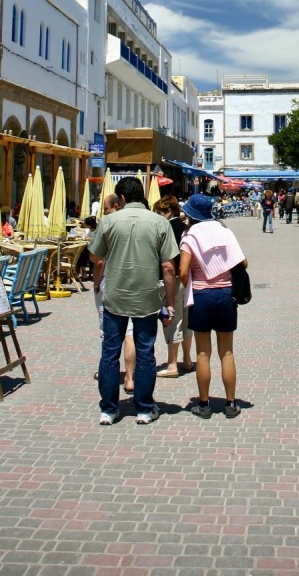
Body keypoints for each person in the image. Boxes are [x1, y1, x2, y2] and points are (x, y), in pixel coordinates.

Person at [88, 176, 178, 426]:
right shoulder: (160, 223)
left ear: (122, 198)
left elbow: (95, 256)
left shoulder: (109, 222)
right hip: (147, 298)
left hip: (115, 295)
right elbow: (169, 267)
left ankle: (108, 409)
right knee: (145, 352)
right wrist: (170, 303)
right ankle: (144, 409)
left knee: (109, 353)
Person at [179, 193, 247, 419]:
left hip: (201, 295)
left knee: (202, 353)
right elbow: (243, 262)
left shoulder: (189, 236)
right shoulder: (225, 231)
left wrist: (190, 285)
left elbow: (182, 271)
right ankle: (231, 403)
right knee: (227, 352)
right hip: (226, 294)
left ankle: (204, 404)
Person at [91, 195, 135, 393]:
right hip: (131, 283)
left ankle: (108, 372)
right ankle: (130, 378)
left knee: (108, 331)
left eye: (106, 208)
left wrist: (95, 282)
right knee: (129, 332)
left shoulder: (107, 225)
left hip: (109, 283)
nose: (104, 212)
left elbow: (99, 260)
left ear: (115, 206)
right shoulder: (133, 224)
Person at [153, 195, 194, 377]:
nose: (158, 216)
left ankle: (172, 364)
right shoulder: (186, 228)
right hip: (187, 279)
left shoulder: (165, 228)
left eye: (159, 212)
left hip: (172, 280)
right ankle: (187, 359)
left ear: (168, 211)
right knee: (186, 320)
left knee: (172, 320)